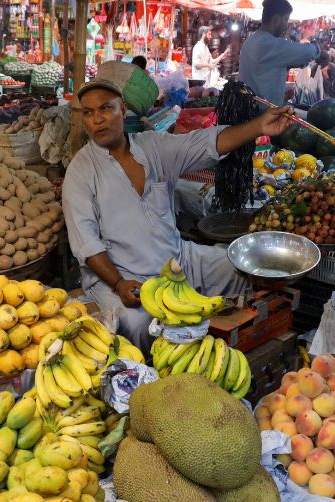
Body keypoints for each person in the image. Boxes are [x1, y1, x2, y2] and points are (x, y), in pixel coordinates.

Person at [62, 61, 293, 348]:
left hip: (177, 260)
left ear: (123, 110)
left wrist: (258, 125)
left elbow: (206, 142)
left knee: (236, 267)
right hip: (123, 275)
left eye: (106, 108)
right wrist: (119, 283)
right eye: (89, 113)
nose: (98, 119)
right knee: (137, 323)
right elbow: (86, 245)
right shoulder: (81, 171)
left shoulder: (153, 146)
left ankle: (238, 339)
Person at [238, 0, 320, 104]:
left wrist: (281, 91)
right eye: (286, 19)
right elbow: (308, 52)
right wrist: (317, 47)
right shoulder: (270, 44)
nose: (286, 25)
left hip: (247, 108)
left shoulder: (251, 41)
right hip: (263, 114)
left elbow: (261, 77)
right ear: (276, 19)